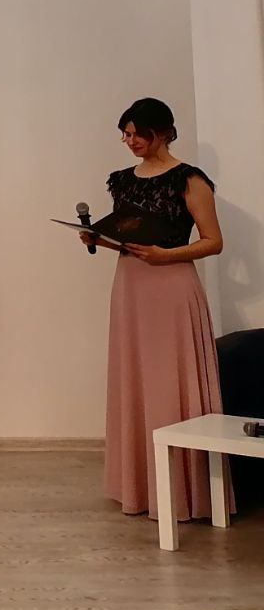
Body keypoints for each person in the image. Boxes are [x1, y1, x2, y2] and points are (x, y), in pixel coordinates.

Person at [83, 98, 227, 520]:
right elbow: (127, 235)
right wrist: (98, 239)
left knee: (172, 378)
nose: (130, 141)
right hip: (130, 286)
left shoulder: (189, 178)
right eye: (125, 135)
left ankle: (186, 491)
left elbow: (213, 241)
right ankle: (140, 488)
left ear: (162, 132)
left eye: (136, 134)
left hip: (172, 283)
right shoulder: (121, 181)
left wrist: (167, 256)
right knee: (137, 377)